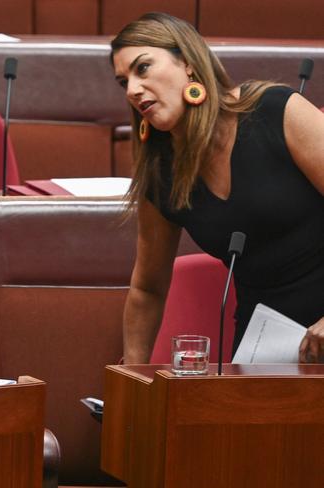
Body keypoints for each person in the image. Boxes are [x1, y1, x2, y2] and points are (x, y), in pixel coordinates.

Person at [111, 13, 324, 364]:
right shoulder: (161, 173)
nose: (133, 89)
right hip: (268, 350)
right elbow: (147, 289)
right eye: (123, 82)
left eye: (143, 68)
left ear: (190, 65)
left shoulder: (273, 112)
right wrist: (131, 380)